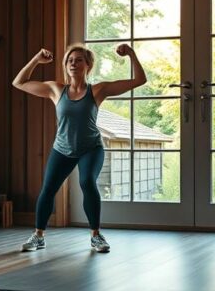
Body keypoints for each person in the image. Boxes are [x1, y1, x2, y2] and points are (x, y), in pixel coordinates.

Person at [11, 43, 146, 253]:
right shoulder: (56, 90)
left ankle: (96, 235)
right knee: (47, 190)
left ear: (88, 65)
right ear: (66, 65)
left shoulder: (98, 90)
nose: (74, 64)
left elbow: (139, 80)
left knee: (87, 182)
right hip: (61, 149)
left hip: (90, 148)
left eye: (79, 60)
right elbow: (18, 82)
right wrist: (37, 59)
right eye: (70, 61)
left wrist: (131, 54)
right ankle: (38, 235)